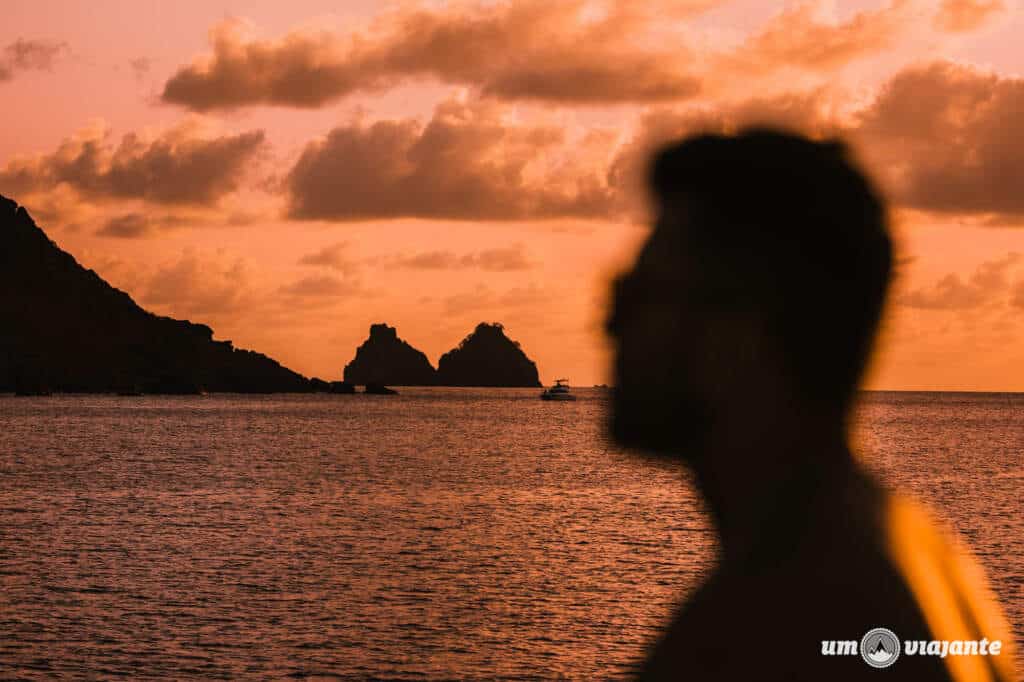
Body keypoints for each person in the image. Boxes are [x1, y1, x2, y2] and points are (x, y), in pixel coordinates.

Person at [606, 130, 1016, 681]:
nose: (610, 324)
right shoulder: (929, 558)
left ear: (744, 331)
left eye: (639, 296)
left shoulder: (772, 622)